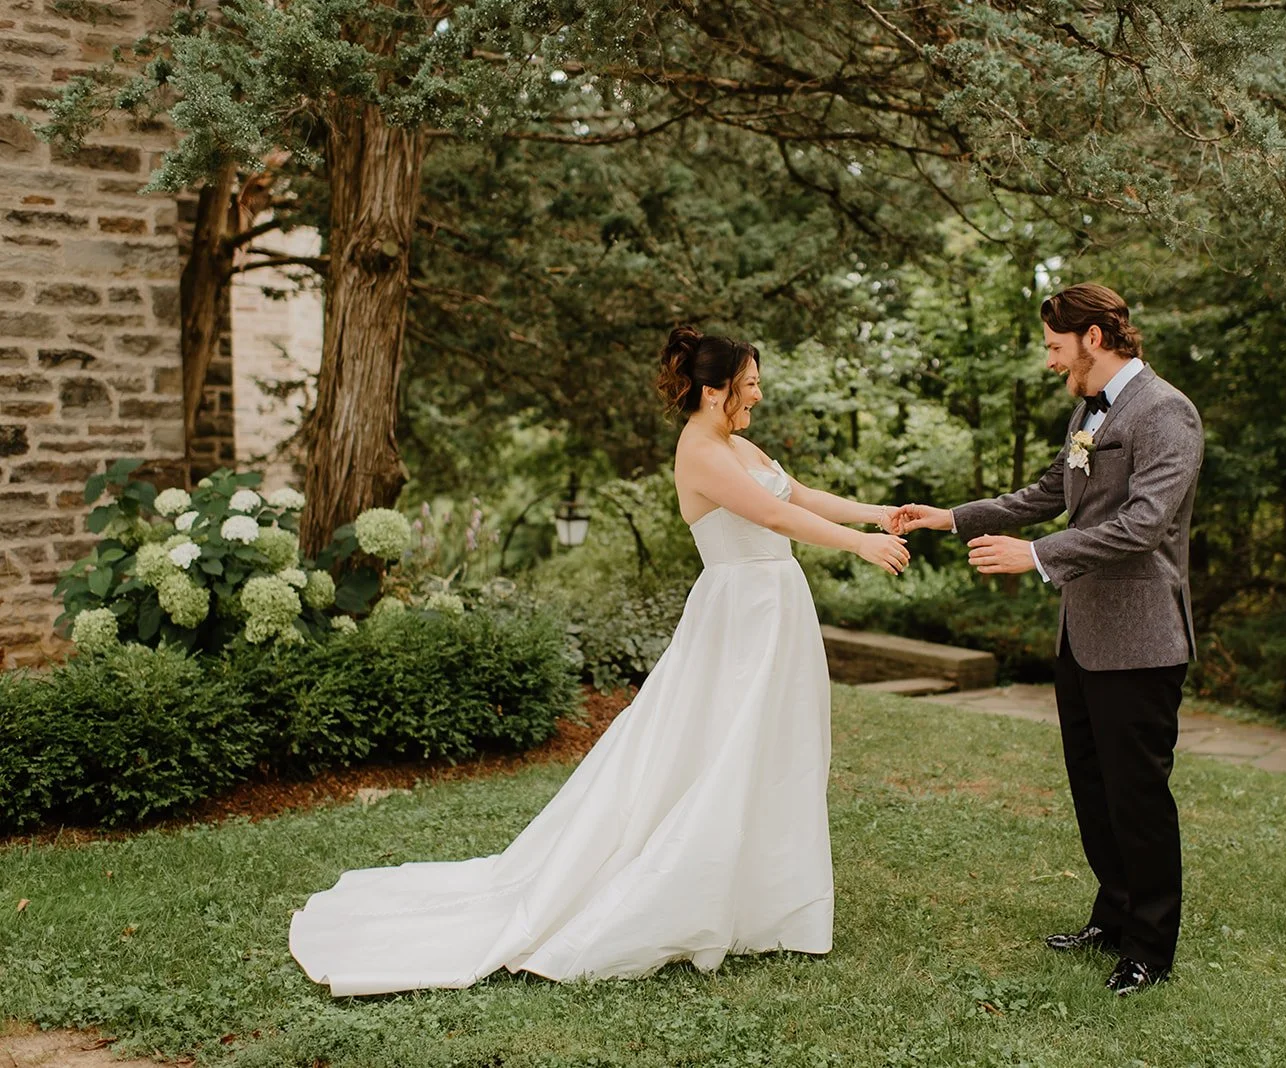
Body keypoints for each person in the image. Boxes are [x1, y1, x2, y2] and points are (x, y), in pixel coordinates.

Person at [289, 326, 909, 996]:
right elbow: (772, 516)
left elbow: (800, 496)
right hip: (740, 615)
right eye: (748, 381)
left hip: (776, 608)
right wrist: (858, 547)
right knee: (723, 748)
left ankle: (767, 901)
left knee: (778, 749)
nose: (758, 389)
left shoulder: (735, 441)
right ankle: (693, 890)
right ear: (713, 390)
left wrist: (880, 515)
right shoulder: (699, 452)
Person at [891, 283, 1203, 996]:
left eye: (1055, 346)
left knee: (1137, 796)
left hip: (1142, 640)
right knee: (1093, 790)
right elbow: (1046, 492)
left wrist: (1035, 556)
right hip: (1082, 634)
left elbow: (1144, 525)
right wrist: (948, 518)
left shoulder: (1166, 412)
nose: (1050, 360)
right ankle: (1114, 916)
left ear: (1094, 337)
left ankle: (1150, 949)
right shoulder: (1089, 410)